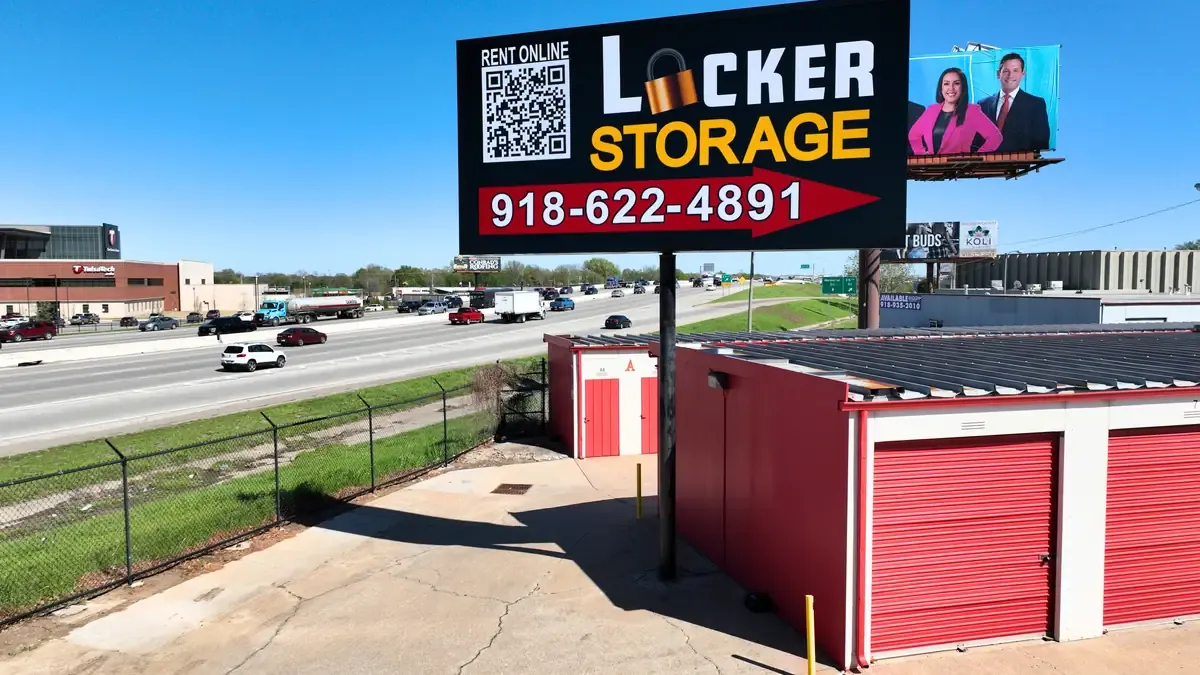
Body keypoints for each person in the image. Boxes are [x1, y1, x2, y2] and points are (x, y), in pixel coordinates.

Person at [908, 67, 1003, 155]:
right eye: (946, 84)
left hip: (959, 167)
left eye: (956, 83)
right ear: (941, 88)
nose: (951, 88)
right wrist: (921, 154)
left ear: (963, 87)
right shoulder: (931, 110)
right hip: (933, 167)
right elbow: (913, 135)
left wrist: (976, 158)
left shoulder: (972, 111)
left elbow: (995, 137)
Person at [979, 53, 1051, 153]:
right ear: (998, 74)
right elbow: (975, 140)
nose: (1010, 75)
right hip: (985, 161)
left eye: (1015, 70)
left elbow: (1041, 141)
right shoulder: (983, 104)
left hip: (1019, 160)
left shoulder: (1035, 104)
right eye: (1006, 71)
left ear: (1023, 73)